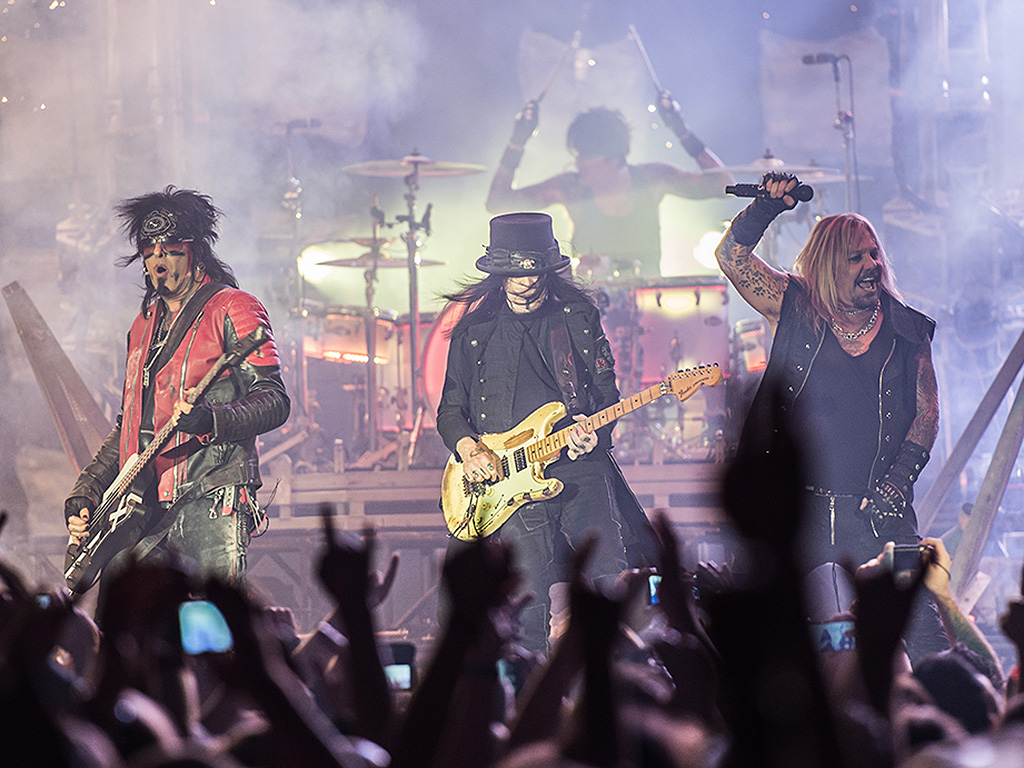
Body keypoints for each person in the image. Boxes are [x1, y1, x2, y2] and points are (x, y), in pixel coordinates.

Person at [435, 211, 655, 655]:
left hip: (578, 467)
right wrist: (468, 448)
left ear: (548, 269)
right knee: (527, 607)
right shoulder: (474, 331)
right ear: (498, 274)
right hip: (509, 478)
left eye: (532, 271)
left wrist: (595, 431)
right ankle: (529, 707)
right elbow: (450, 410)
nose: (524, 281)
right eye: (514, 273)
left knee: (608, 582)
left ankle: (615, 692)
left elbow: (607, 395)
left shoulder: (576, 317)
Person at [63, 186, 290, 599]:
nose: (157, 260)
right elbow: (131, 426)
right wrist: (89, 488)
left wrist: (210, 420)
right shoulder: (142, 325)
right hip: (142, 506)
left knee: (211, 630)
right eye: (149, 251)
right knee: (125, 634)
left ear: (196, 252)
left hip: (210, 495)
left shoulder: (234, 308)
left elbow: (275, 401)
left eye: (169, 248)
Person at [714, 173, 940, 575]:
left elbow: (927, 413)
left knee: (921, 630)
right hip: (798, 511)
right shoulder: (794, 305)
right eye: (856, 258)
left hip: (877, 512)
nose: (871, 265)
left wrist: (897, 483)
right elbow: (731, 257)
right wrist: (765, 208)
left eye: (874, 255)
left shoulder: (907, 330)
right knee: (778, 628)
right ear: (829, 264)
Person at [486, 95, 732, 278]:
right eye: (576, 154)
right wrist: (517, 141)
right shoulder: (569, 188)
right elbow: (497, 203)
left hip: (648, 310)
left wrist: (681, 130)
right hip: (587, 313)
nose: (577, 162)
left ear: (613, 158)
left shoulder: (652, 179)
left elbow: (723, 184)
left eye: (585, 156)